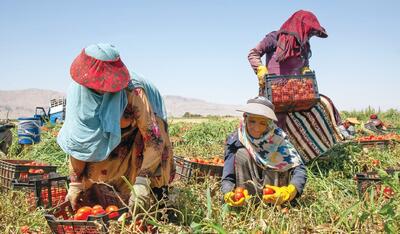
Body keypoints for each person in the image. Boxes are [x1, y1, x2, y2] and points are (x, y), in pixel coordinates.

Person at [57, 43, 174, 212]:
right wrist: (75, 184)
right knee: (98, 171)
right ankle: (111, 198)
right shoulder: (78, 93)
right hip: (116, 130)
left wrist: (142, 181)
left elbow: (154, 138)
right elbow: (78, 143)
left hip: (141, 129)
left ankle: (155, 201)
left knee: (142, 169)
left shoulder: (133, 92)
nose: (100, 88)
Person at [248, 10, 343, 162]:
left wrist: (305, 69)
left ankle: (306, 156)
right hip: (273, 91)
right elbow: (253, 53)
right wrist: (260, 69)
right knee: (273, 125)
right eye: (309, 31)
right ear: (299, 27)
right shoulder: (274, 38)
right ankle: (265, 161)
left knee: (323, 104)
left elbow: (305, 64)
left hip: (294, 92)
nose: (309, 35)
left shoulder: (303, 46)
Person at [221, 96, 307, 206]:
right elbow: (227, 176)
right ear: (245, 118)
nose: (256, 128)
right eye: (252, 121)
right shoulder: (236, 138)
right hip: (249, 192)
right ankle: (249, 203)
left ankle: (274, 204)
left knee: (276, 156)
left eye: (262, 123)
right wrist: (228, 193)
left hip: (274, 193)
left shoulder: (278, 139)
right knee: (241, 154)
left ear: (269, 123)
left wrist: (290, 191)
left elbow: (300, 168)